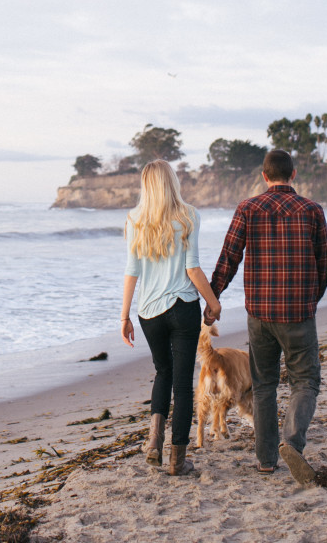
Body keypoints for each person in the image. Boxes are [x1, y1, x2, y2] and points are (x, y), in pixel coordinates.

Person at [207, 148, 327, 483]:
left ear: (264, 176)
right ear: (293, 175)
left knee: (263, 385)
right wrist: (308, 303)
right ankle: (291, 442)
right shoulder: (312, 210)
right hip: (298, 314)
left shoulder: (248, 208)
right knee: (306, 381)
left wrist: (211, 298)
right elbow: (323, 269)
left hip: (260, 315)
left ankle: (265, 460)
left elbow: (228, 258)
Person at [121, 159, 221, 476]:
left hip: (148, 312)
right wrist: (213, 302)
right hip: (183, 307)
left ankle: (153, 442)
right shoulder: (189, 215)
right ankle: (177, 458)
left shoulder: (134, 219)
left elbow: (132, 271)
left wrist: (124, 316)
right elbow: (192, 269)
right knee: (182, 382)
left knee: (162, 373)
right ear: (172, 182)